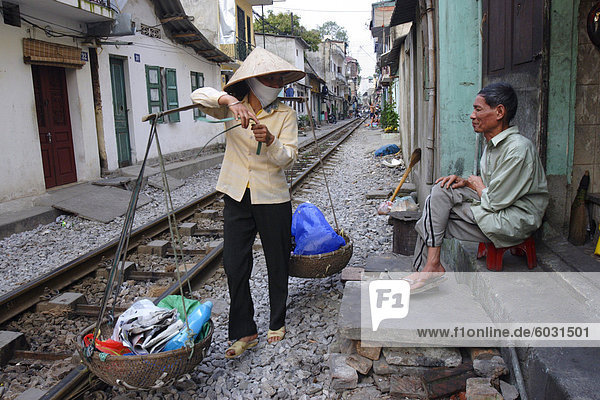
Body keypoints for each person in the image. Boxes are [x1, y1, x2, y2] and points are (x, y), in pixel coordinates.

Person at [191, 47, 305, 357]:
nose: (277, 83)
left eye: (280, 79)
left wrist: (271, 141)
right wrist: (228, 100)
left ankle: (276, 321)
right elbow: (198, 95)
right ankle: (245, 331)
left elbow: (290, 160)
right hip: (237, 195)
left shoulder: (285, 115)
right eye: (271, 78)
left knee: (277, 261)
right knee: (235, 264)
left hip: (272, 198)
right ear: (254, 81)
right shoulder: (233, 107)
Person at [404, 82, 549, 293]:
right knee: (441, 192)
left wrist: (476, 184)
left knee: (433, 215)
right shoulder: (492, 145)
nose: (472, 115)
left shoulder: (518, 149)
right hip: (496, 205)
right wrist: (466, 182)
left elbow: (495, 201)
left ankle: (427, 268)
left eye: (478, 109)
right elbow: (495, 187)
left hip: (514, 218)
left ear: (499, 112)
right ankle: (429, 266)